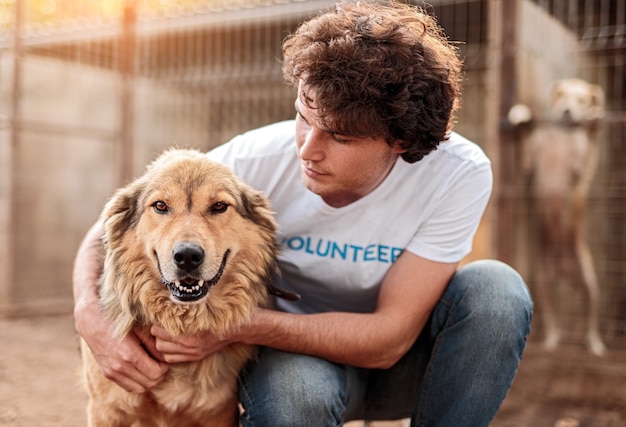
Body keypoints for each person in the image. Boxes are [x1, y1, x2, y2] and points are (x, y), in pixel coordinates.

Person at [73, 1, 533, 426]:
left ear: (400, 142)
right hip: (293, 361)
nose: (307, 150)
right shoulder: (252, 159)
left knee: (497, 290)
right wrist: (90, 317)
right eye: (304, 116)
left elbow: (389, 339)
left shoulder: (457, 173)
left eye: (340, 137)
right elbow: (108, 229)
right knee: (296, 393)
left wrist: (234, 325)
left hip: (407, 363)